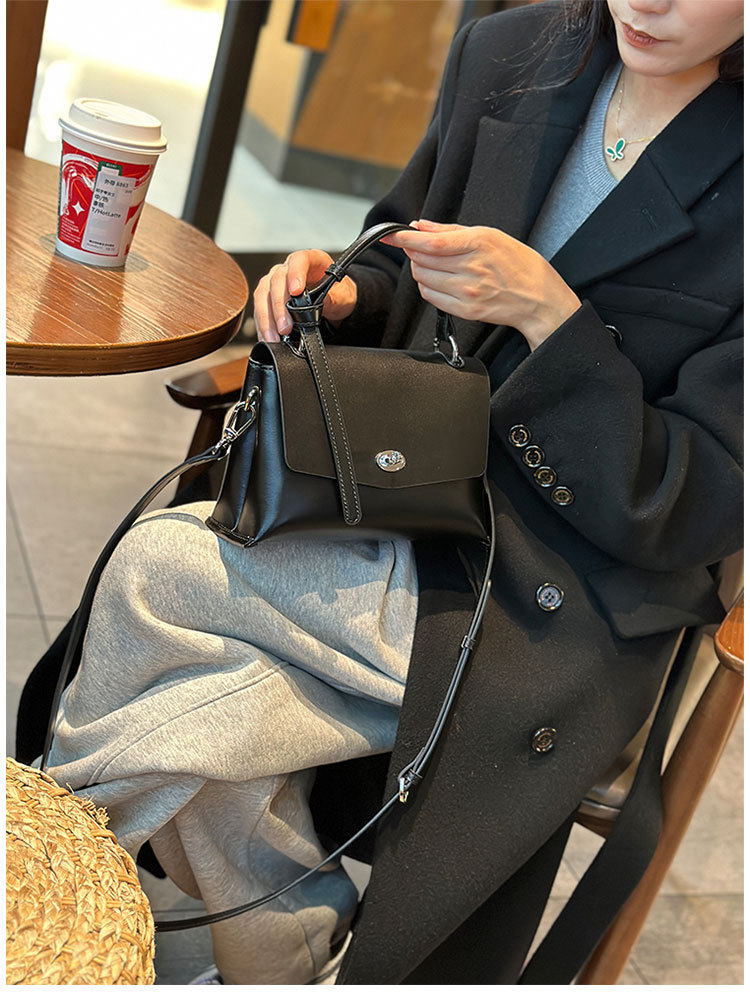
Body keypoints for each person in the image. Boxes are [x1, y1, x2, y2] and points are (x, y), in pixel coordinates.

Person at [27, 0, 741, 985]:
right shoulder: (512, 53)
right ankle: (267, 956)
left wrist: (553, 320)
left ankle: (64, 899)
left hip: (560, 589)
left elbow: (699, 501)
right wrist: (349, 290)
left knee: (160, 582)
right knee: (204, 692)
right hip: (404, 487)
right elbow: (406, 249)